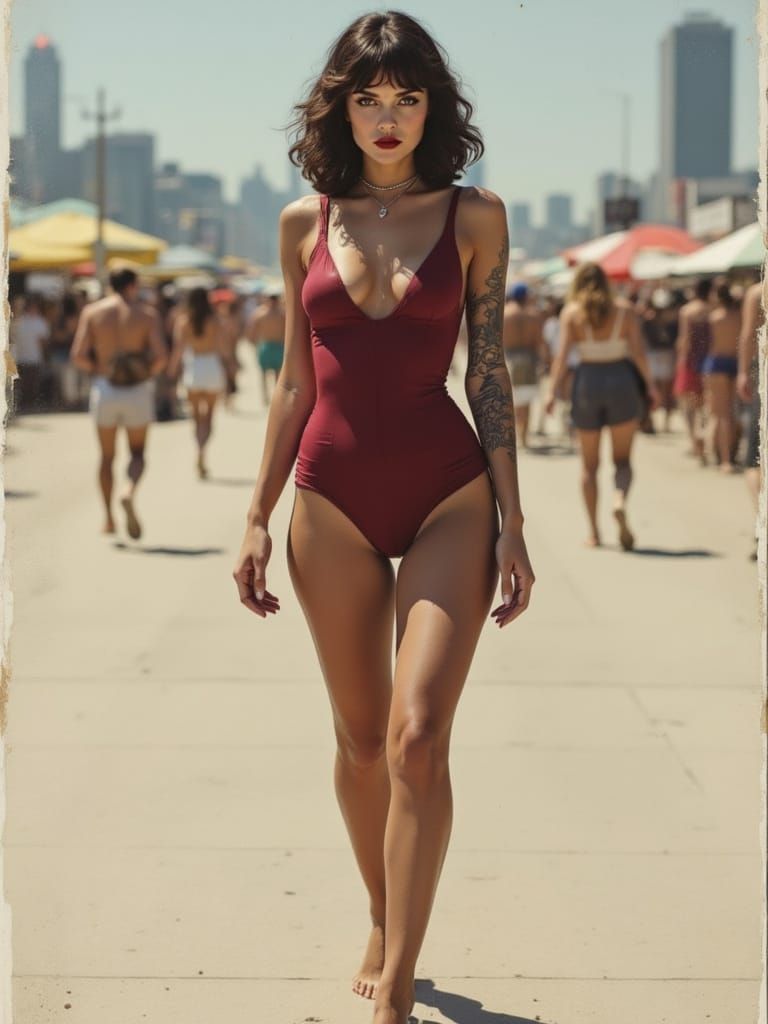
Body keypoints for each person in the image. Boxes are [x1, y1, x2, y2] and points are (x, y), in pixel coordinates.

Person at [232, 13, 535, 1024]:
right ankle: (378, 907)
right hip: (330, 498)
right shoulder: (300, 222)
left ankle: (399, 980)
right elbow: (289, 386)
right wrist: (255, 515)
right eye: (369, 97)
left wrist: (515, 520)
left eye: (407, 97)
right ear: (342, 106)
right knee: (360, 738)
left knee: (416, 736)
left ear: (432, 106)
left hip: (450, 492)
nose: (389, 117)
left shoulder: (476, 216)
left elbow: (488, 375)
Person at [545, 262, 658, 550]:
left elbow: (561, 359)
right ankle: (619, 500)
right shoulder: (624, 310)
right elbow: (640, 354)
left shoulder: (571, 313)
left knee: (589, 467)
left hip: (587, 383)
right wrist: (652, 387)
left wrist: (550, 393)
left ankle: (594, 532)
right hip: (621, 380)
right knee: (622, 461)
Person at [70, 268, 167, 538]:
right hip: (136, 390)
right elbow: (160, 357)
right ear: (133, 286)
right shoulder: (147, 315)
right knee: (137, 453)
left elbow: (78, 355)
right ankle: (128, 491)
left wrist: (102, 369)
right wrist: (143, 372)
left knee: (106, 457)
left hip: (105, 388)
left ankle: (109, 518)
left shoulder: (93, 312)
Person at [167, 287, 228, 479]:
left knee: (196, 418)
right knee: (209, 417)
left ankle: (198, 448)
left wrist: (172, 371)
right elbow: (223, 348)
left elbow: (178, 350)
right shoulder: (215, 320)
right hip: (212, 366)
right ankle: (203, 450)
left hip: (194, 368)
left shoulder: (184, 321)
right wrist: (231, 368)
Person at [737, 278, 764, 558]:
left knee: (754, 461)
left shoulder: (758, 292)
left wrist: (743, 372)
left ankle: (763, 524)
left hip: (765, 375)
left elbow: (747, 335)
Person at [704, 281, 742, 473]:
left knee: (720, 414)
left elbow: (710, 345)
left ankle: (724, 458)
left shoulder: (715, 317)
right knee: (731, 413)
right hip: (735, 362)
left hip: (717, 363)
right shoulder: (738, 316)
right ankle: (729, 455)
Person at [674, 278, 712, 463]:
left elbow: (684, 340)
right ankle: (703, 436)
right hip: (709, 360)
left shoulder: (687, 310)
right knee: (704, 404)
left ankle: (694, 439)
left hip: (689, 361)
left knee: (688, 405)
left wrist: (680, 361)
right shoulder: (712, 310)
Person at [502, 282, 544, 449]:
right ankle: (524, 437)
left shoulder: (504, 314)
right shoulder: (533, 315)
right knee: (527, 399)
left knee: (511, 399)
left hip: (510, 358)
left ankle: (514, 436)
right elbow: (540, 342)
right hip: (529, 358)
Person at [246, 290, 287, 406]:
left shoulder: (260, 313)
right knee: (278, 376)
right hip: (279, 346)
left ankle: (266, 398)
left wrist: (254, 344)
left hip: (265, 346)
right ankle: (276, 398)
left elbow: (251, 332)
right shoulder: (283, 314)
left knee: (263, 375)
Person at [10, 295, 50, 413]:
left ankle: (27, 405)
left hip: (30, 358)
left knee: (28, 384)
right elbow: (44, 342)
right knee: (28, 384)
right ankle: (28, 405)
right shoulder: (32, 321)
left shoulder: (33, 321)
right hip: (25, 358)